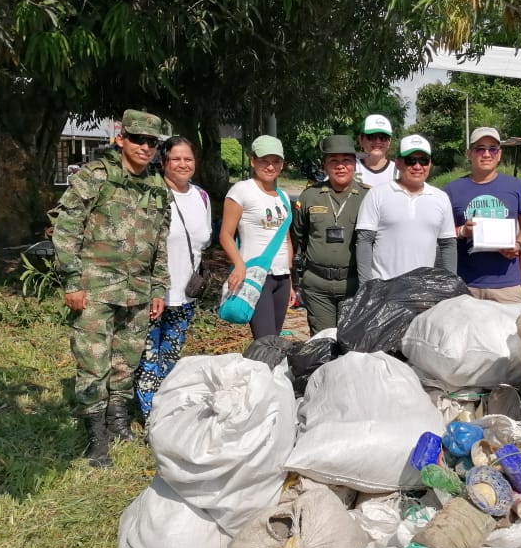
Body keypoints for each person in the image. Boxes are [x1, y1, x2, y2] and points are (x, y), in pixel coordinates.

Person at [50, 109, 170, 468]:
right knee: (93, 362)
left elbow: (160, 242)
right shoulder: (95, 175)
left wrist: (159, 287)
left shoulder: (157, 185)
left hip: (138, 290)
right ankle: (96, 440)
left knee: (125, 361)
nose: (145, 147)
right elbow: (66, 229)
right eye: (138, 139)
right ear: (121, 138)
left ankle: (118, 425)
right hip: (95, 287)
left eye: (151, 142)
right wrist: (72, 281)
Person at [133, 137, 212, 420]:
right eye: (176, 158)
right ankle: (149, 418)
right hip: (152, 293)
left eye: (188, 159)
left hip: (186, 294)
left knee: (170, 357)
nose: (183, 164)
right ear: (163, 162)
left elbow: (203, 242)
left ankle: (166, 411)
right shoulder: (150, 194)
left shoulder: (201, 197)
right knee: (148, 358)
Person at [291, 134, 371, 334]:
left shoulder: (369, 196)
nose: (340, 166)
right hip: (318, 286)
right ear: (324, 166)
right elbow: (298, 236)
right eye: (333, 161)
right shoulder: (309, 196)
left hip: (354, 285)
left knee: (351, 341)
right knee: (322, 342)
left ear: (355, 165)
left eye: (346, 160)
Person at [445, 127, 521, 302]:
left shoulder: (516, 186)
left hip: (507, 286)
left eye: (492, 149)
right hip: (465, 285)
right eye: (480, 149)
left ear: (499, 154)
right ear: (469, 154)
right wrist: (462, 231)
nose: (486, 154)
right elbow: (441, 235)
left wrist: (518, 244)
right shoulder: (451, 190)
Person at [220, 135, 294, 340]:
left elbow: (286, 240)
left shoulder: (283, 196)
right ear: (253, 161)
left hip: (281, 277)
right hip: (255, 275)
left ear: (282, 164)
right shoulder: (241, 190)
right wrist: (238, 264)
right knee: (265, 340)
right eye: (264, 161)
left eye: (276, 161)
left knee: (274, 339)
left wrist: (290, 279)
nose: (270, 166)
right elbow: (225, 235)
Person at [355, 134, 456, 282]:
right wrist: (366, 286)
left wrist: (450, 284)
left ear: (430, 164)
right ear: (398, 163)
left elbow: (448, 245)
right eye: (410, 160)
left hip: (423, 289)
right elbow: (364, 241)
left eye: (423, 160)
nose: (417, 166)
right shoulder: (377, 194)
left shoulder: (441, 198)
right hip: (384, 288)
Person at [355, 114, 397, 188]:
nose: (378, 141)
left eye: (383, 137)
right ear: (361, 139)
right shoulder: (350, 167)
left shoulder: (400, 171)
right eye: (372, 136)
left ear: (389, 141)